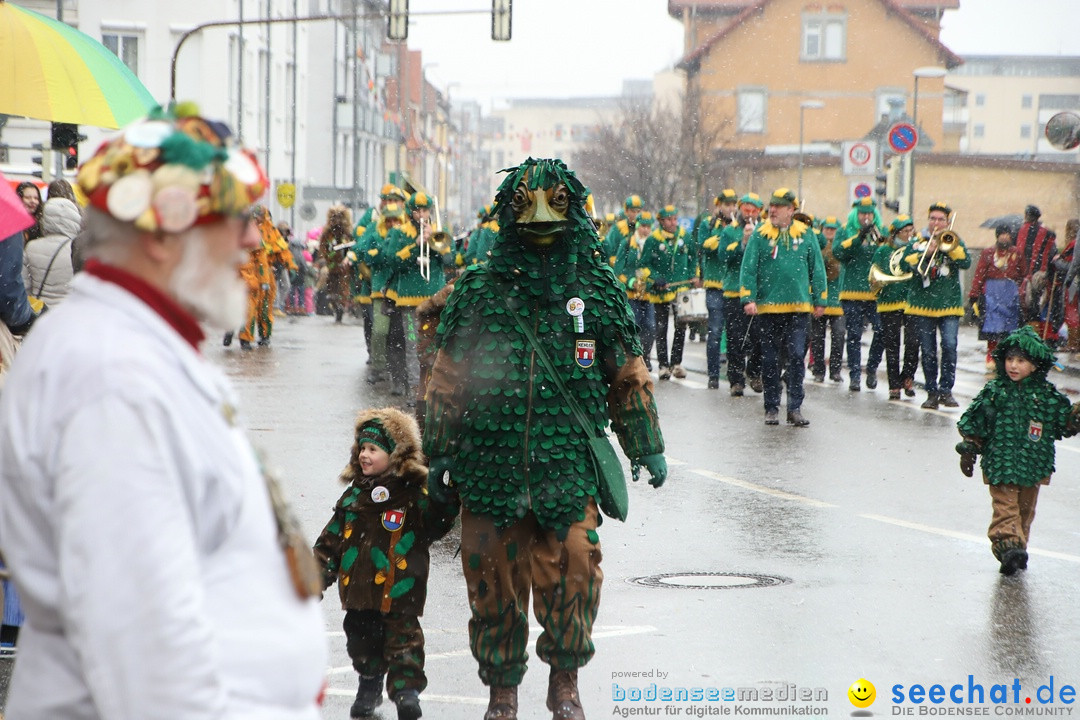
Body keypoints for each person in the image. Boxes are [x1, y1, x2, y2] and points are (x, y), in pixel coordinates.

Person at [0, 106, 328, 718]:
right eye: (233, 219)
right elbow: (147, 651)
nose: (254, 240)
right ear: (159, 234)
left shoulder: (139, 346)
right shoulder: (111, 376)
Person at [423, 158, 666, 720]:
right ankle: (502, 691)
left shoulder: (597, 290)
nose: (539, 217)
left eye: (555, 203)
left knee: (575, 567)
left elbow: (627, 372)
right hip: (490, 464)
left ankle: (565, 683)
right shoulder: (478, 289)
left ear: (573, 209)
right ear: (507, 215)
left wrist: (644, 441)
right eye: (526, 204)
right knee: (491, 580)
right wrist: (437, 448)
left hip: (566, 467)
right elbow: (448, 373)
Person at [314, 408, 457, 720]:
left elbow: (435, 524)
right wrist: (315, 577)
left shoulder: (412, 496)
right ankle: (369, 683)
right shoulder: (353, 498)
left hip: (400, 591)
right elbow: (331, 542)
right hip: (359, 593)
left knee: (403, 641)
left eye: (373, 449)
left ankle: (406, 691)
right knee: (361, 638)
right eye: (362, 448)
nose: (365, 455)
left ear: (396, 456)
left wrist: (444, 498)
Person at [956, 326, 1079, 575]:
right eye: (1010, 359)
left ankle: (1017, 548)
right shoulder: (994, 392)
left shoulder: (1046, 396)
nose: (1013, 365)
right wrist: (969, 448)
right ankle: (1007, 546)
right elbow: (975, 420)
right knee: (1005, 508)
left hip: (1033, 464)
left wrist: (1075, 415)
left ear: (1035, 365)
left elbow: (1064, 423)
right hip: (1000, 462)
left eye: (1021, 360)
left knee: (1024, 511)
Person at [740, 188, 827, 426]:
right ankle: (771, 407)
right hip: (768, 310)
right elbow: (748, 268)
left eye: (779, 207)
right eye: (772, 206)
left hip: (798, 308)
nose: (773, 210)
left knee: (798, 356)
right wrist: (748, 298)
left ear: (791, 210)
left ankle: (795, 408)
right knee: (770, 359)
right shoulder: (760, 235)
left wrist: (820, 299)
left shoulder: (806, 235)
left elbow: (817, 269)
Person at [900, 202, 970, 409]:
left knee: (949, 346)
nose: (936, 223)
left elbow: (965, 261)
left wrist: (949, 247)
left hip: (949, 305)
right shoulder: (917, 242)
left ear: (947, 222)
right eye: (933, 219)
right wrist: (927, 253)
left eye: (940, 219)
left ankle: (946, 391)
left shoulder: (955, 241)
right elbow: (905, 264)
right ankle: (932, 392)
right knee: (928, 351)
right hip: (922, 306)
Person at [833, 198, 886, 392]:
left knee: (881, 331)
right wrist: (858, 238)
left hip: (875, 292)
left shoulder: (882, 231)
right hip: (852, 291)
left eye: (870, 214)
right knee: (854, 334)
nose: (866, 217)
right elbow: (839, 252)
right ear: (856, 214)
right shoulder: (845, 230)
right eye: (863, 214)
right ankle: (855, 375)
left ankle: (871, 368)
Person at [870, 216, 919, 400]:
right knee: (892, 345)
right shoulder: (883, 251)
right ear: (895, 233)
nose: (908, 235)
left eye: (910, 231)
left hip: (911, 301)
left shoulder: (914, 248)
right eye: (905, 231)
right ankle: (894, 385)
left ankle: (907, 376)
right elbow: (874, 277)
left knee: (913, 342)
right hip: (889, 301)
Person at [720, 193, 764, 397]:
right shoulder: (729, 231)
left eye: (754, 211)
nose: (749, 214)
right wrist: (743, 243)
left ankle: (754, 372)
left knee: (758, 336)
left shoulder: (764, 231)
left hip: (757, 292)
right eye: (746, 210)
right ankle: (736, 379)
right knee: (735, 337)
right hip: (733, 291)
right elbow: (723, 256)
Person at [969, 224, 1024, 370]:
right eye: (1002, 234)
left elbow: (1023, 273)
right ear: (997, 236)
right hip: (992, 293)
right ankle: (991, 355)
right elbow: (979, 273)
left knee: (1009, 327)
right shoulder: (988, 253)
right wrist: (974, 293)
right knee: (992, 327)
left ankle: (1008, 356)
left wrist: (1020, 290)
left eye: (1007, 234)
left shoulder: (1017, 253)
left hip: (1010, 293)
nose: (1004, 237)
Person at [649, 205, 694, 380]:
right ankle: (662, 365)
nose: (673, 222)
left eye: (675, 218)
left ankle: (676, 363)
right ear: (661, 221)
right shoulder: (653, 239)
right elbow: (644, 266)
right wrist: (655, 278)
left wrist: (693, 275)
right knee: (661, 328)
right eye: (669, 219)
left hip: (680, 290)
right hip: (661, 291)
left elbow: (693, 257)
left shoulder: (684, 236)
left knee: (681, 326)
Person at [615, 211, 658, 369]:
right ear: (637, 227)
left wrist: (651, 279)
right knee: (634, 326)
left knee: (651, 327)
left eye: (648, 227)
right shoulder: (626, 244)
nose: (646, 230)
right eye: (643, 226)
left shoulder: (653, 245)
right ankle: (633, 357)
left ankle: (646, 356)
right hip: (631, 295)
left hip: (648, 295)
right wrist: (631, 281)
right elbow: (618, 270)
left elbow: (657, 268)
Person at [21, 195, 80, 307]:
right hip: (68, 310)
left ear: (46, 219)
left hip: (40, 311)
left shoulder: (31, 247)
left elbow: (24, 286)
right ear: (74, 218)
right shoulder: (77, 248)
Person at [808, 216, 845, 383]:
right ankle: (818, 370)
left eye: (833, 229)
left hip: (837, 299)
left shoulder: (840, 248)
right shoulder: (818, 247)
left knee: (838, 335)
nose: (830, 232)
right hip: (820, 297)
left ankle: (836, 370)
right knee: (817, 337)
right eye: (827, 229)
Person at [602, 194, 643, 267]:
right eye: (633, 211)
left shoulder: (646, 229)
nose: (636, 214)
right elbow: (609, 249)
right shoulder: (617, 228)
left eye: (638, 211)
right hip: (620, 269)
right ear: (626, 211)